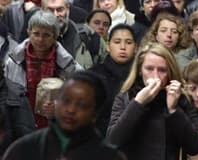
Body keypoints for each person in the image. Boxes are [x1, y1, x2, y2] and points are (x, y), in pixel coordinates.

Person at [106, 42, 198, 160]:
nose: (155, 75)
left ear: (169, 72)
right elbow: (112, 142)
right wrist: (138, 104)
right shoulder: (126, 96)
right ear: (140, 70)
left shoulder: (180, 97)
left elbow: (195, 147)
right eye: (149, 69)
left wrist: (173, 110)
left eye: (162, 70)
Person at [2, 70, 127, 160]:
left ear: (95, 114)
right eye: (66, 101)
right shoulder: (24, 149)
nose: (71, 110)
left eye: (82, 105)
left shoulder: (109, 156)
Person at [4, 11, 82, 139]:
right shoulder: (13, 61)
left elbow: (81, 94)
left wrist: (59, 107)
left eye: (47, 35)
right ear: (29, 33)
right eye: (36, 34)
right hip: (20, 125)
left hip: (56, 129)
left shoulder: (67, 64)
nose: (40, 39)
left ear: (55, 36)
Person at [89, 24, 136, 136]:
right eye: (117, 42)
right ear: (108, 46)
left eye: (128, 42)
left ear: (136, 47)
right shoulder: (94, 74)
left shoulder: (142, 75)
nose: (123, 47)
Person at [42, 0, 100, 68]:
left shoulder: (89, 36)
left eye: (60, 10)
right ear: (42, 11)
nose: (55, 15)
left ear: (68, 9)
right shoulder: (34, 40)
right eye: (50, 10)